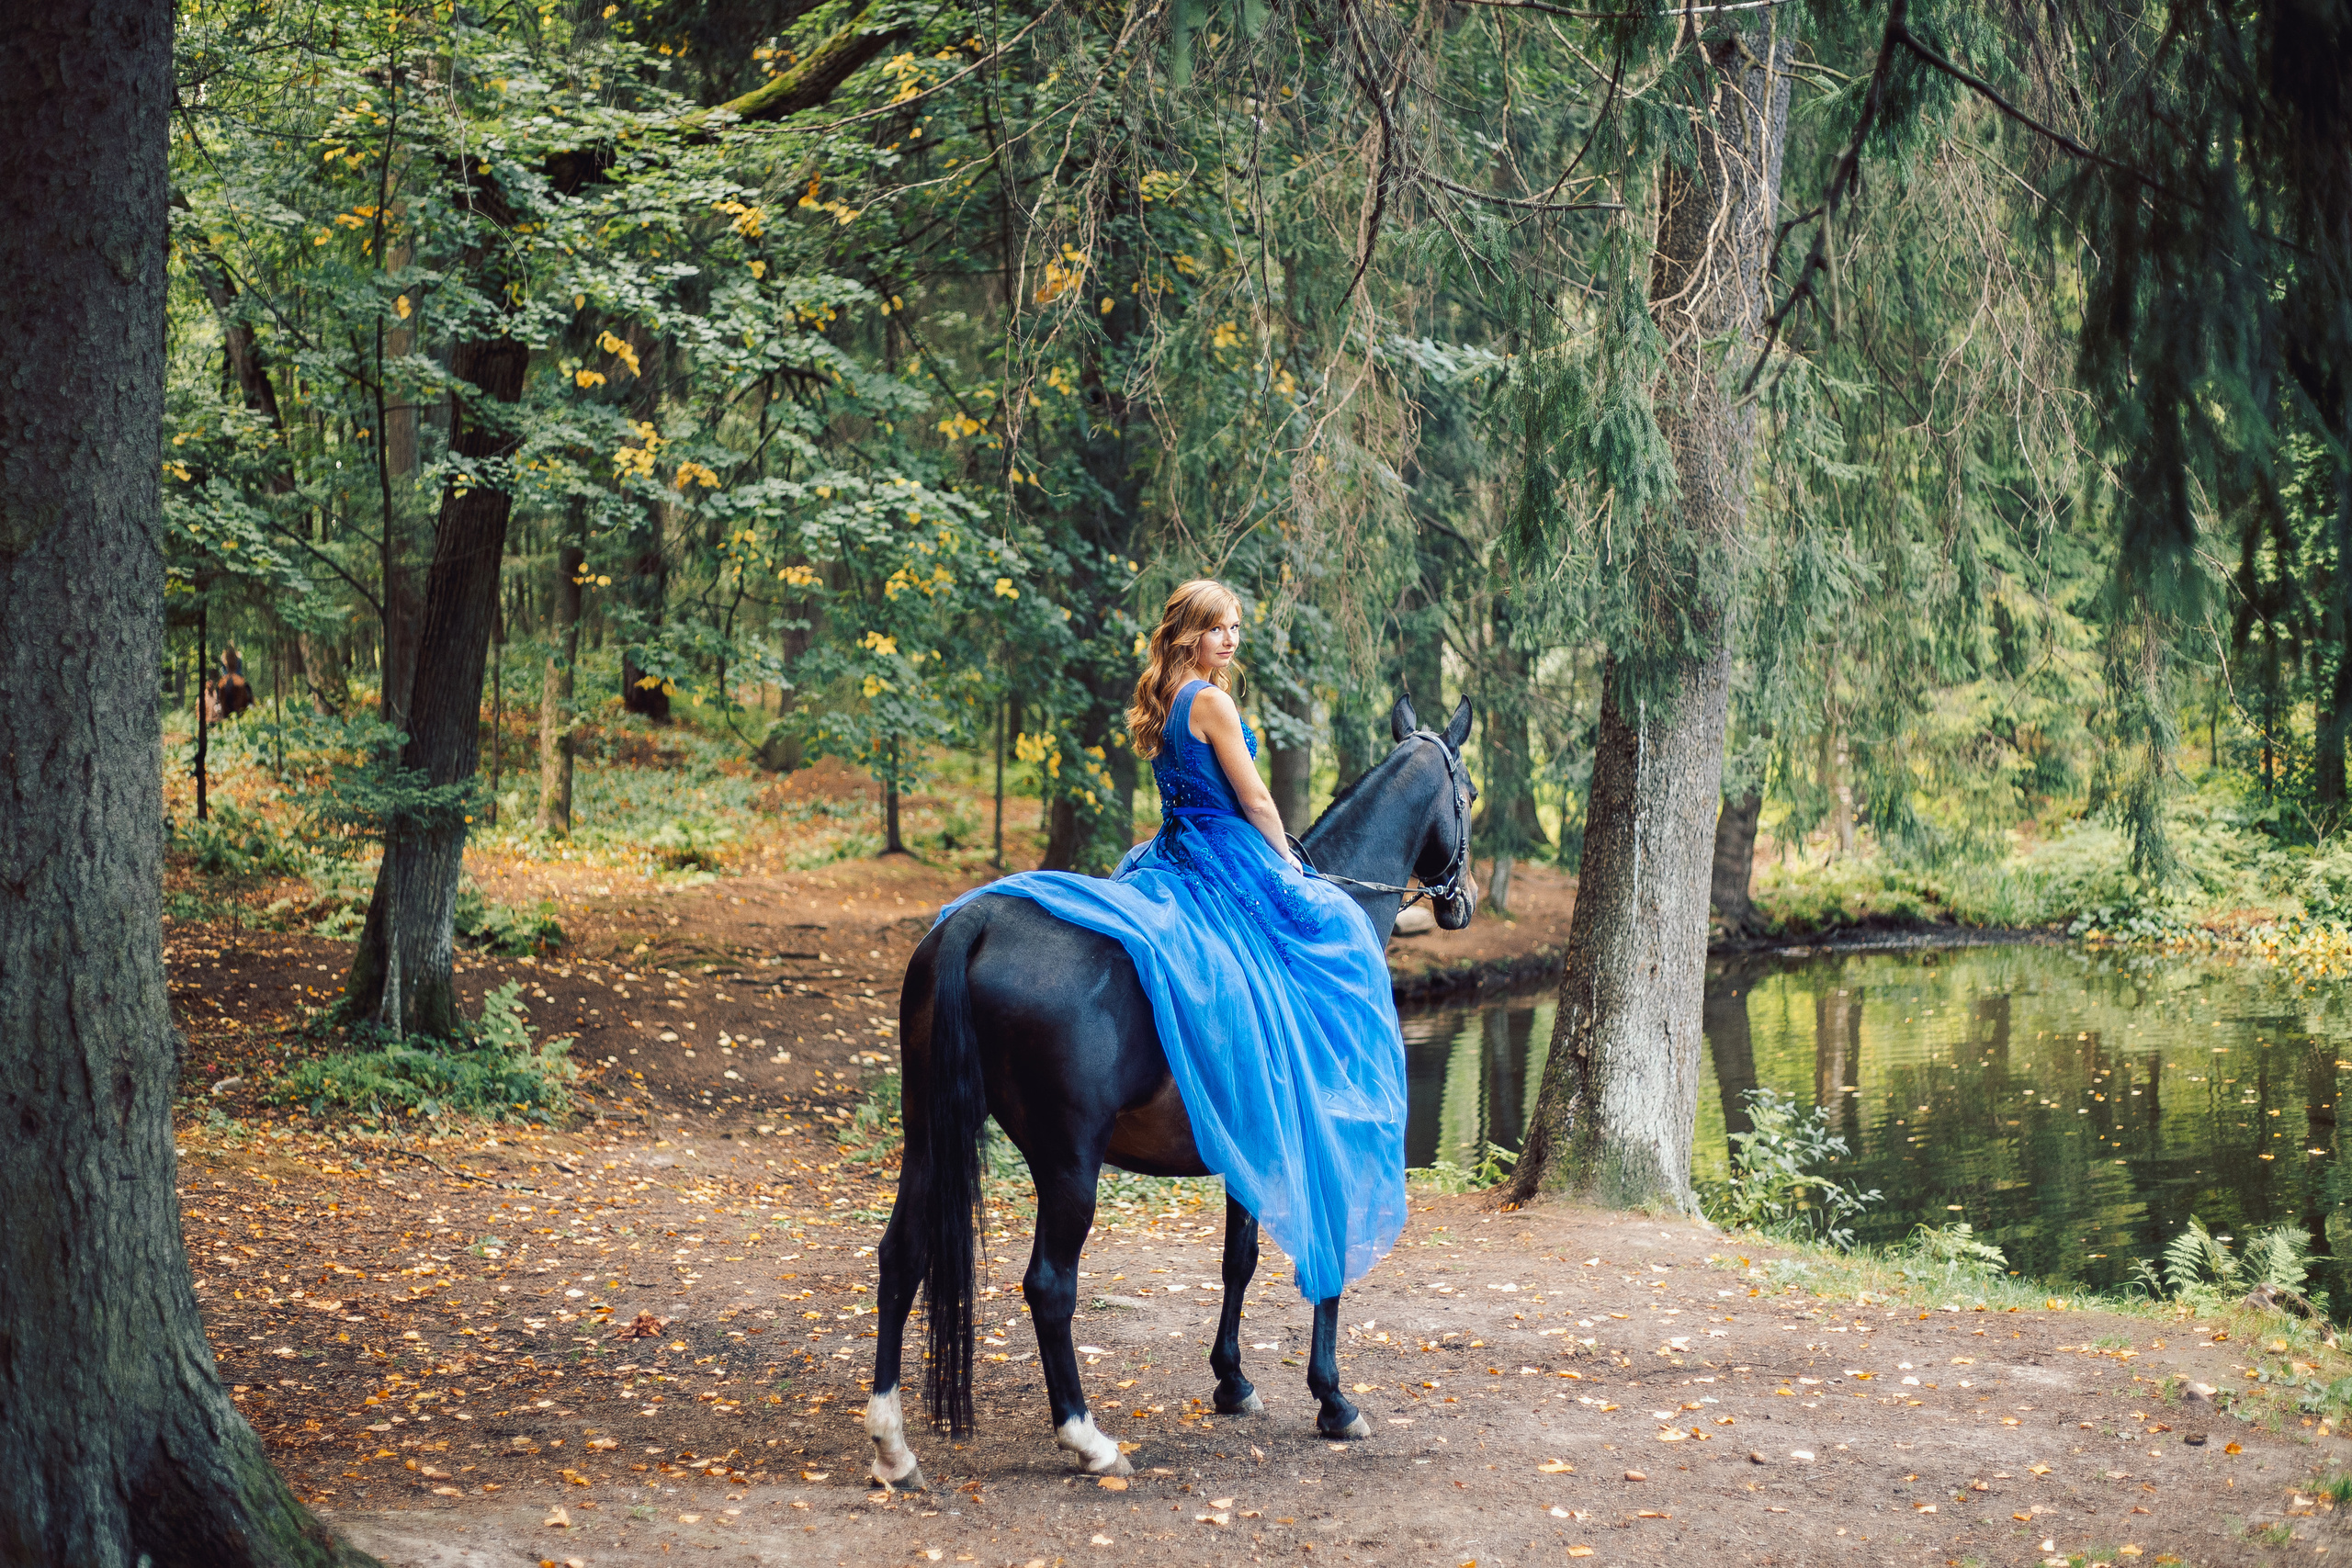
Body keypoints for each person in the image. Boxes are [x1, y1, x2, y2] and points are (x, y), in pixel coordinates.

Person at [933, 579, 1407, 1301]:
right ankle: (1304, 1100)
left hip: (1178, 851)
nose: (1232, 640)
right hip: (1226, 853)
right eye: (1219, 628)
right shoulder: (1211, 701)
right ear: (1189, 632)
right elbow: (1253, 798)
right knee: (1332, 933)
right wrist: (1288, 865)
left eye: (1237, 628)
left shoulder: (1166, 699)